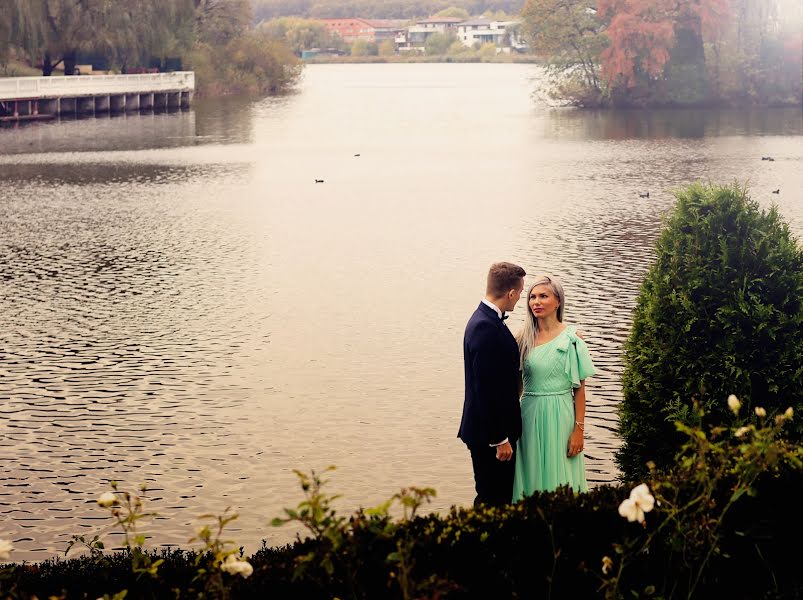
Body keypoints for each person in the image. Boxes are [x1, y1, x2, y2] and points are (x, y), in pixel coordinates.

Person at [512, 274, 596, 500]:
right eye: (532, 297)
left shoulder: (572, 338)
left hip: (561, 415)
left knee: (562, 476)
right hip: (529, 414)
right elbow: (515, 385)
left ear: (558, 301)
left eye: (543, 296)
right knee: (531, 472)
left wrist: (578, 431)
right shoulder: (522, 337)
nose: (536, 302)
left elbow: (579, 390)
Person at [458, 261, 527, 506]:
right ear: (510, 293)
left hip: (488, 432)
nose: (519, 298)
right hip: (489, 436)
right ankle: (483, 544)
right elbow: (485, 388)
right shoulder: (485, 327)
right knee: (493, 500)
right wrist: (499, 439)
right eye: (520, 293)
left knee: (495, 498)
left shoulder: (487, 320)